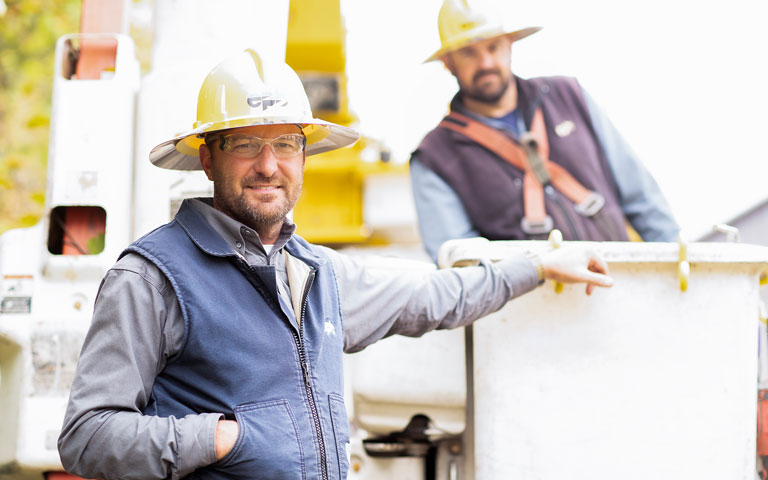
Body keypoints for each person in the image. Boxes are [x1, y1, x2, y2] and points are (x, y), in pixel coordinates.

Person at [57, 49, 613, 480]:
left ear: (305, 156)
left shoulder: (320, 273)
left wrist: (538, 265)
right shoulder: (150, 278)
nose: (268, 165)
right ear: (208, 157)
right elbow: (87, 436)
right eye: (247, 144)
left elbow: (437, 296)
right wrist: (225, 438)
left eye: (285, 144)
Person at [411, 0, 680, 263]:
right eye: (469, 52)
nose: (485, 63)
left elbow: (642, 198)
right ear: (448, 62)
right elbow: (461, 264)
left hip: (618, 287)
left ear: (509, 45)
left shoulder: (569, 96)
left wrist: (679, 267)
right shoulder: (434, 157)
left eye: (493, 47)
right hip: (529, 304)